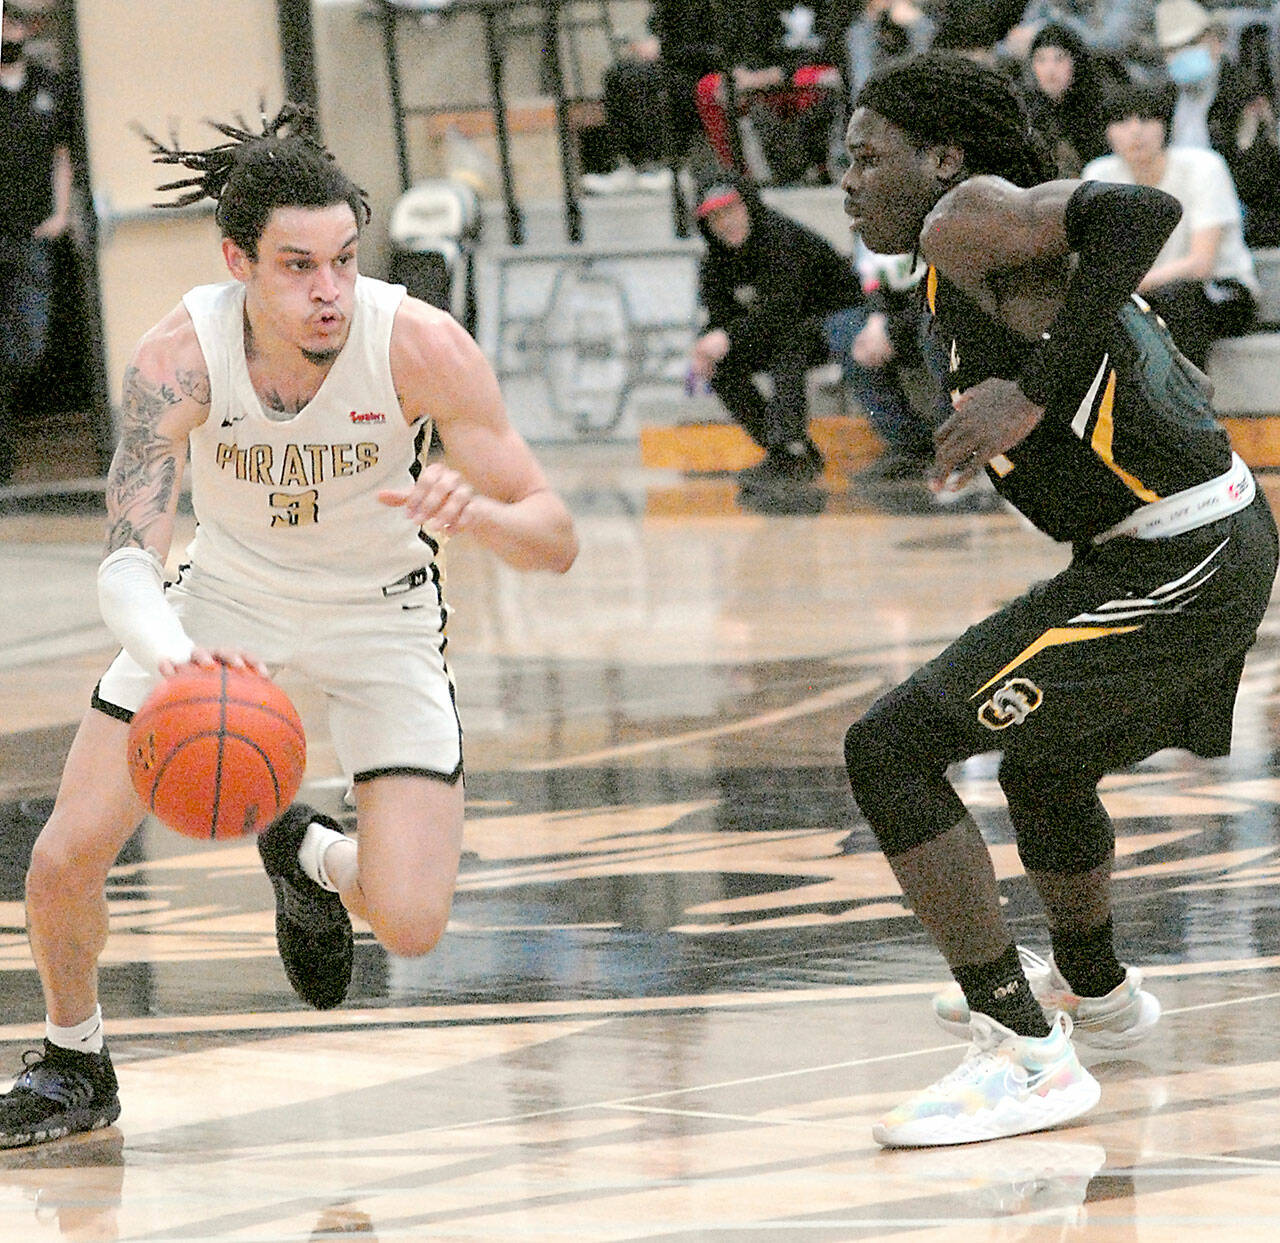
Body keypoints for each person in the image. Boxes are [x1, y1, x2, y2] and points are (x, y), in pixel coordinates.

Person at [0, 105, 578, 1147]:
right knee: (62, 856)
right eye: (298, 266)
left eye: (344, 260)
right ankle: (73, 1058)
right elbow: (127, 561)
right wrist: (178, 660)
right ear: (239, 262)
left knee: (411, 922)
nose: (328, 291)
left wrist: (481, 515)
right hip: (225, 600)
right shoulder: (181, 353)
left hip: (383, 615)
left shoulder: (419, 345)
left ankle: (306, 853)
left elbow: (556, 537)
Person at [840, 50, 1276, 1147]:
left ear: (941, 158)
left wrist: (1032, 395)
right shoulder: (964, 249)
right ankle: (1098, 992)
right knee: (1042, 761)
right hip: (1187, 540)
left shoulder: (966, 215)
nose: (846, 181)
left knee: (889, 749)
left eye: (867, 157)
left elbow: (1142, 211)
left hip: (1179, 555)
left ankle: (1024, 1053)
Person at [690, 173, 862, 497]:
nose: (726, 223)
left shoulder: (781, 238)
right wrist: (705, 345)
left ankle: (790, 444)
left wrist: (728, 337)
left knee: (786, 343)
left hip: (835, 319)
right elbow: (719, 316)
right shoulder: (715, 260)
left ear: (749, 206)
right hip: (781, 328)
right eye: (716, 217)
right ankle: (783, 452)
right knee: (721, 365)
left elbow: (785, 308)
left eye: (732, 210)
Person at [1082, 79, 1258, 368]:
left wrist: (1131, 285)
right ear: (1107, 131)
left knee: (1177, 299)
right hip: (1144, 295)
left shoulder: (1203, 167)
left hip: (1218, 289)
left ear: (1164, 126)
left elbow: (1201, 264)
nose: (1136, 131)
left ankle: (1189, 396)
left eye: (1146, 119)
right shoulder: (1100, 175)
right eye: (1122, 121)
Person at [0, 5, 74, 485]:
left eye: (11, 24)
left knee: (29, 343)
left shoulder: (48, 86)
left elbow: (62, 155)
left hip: (33, 235)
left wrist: (61, 215)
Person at [1155, 0, 1280, 246]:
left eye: (1191, 44)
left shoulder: (1243, 92)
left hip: (1236, 209)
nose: (1182, 54)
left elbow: (1261, 172)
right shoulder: (1164, 100)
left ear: (1214, 41)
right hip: (1176, 206)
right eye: (1173, 49)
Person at [693, 1, 845, 184]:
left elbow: (833, 49)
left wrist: (782, 74)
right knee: (709, 87)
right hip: (763, 77)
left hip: (802, 73)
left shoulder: (826, 6)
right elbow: (741, 47)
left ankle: (827, 165)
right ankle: (737, 175)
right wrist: (742, 74)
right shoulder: (751, 8)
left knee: (824, 78)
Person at [581, 0, 719, 193]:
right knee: (617, 75)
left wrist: (664, 49)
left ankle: (667, 163)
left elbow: (713, 46)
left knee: (652, 81)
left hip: (699, 70)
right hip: (672, 64)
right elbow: (659, 31)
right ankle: (632, 163)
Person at [1022, 21, 1110, 176]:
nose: (1050, 70)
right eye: (1041, 60)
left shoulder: (1098, 106)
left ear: (1076, 62)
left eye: (1059, 59)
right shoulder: (1025, 108)